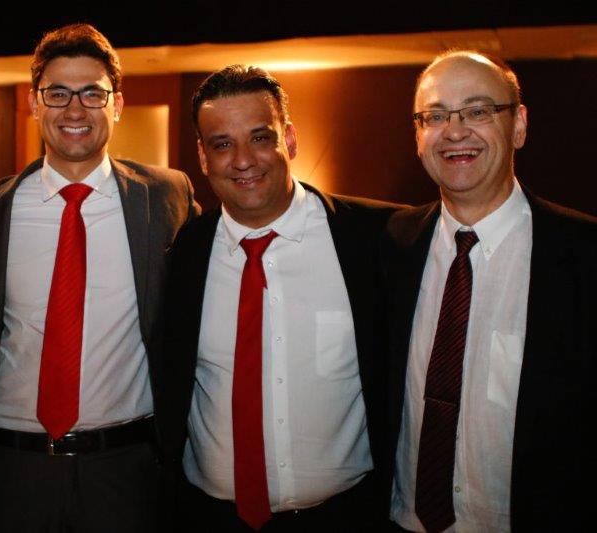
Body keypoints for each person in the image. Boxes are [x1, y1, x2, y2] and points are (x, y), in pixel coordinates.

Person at [0, 23, 199, 532]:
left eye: (92, 93)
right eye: (58, 93)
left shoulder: (165, 198)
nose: (74, 110)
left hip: (126, 470)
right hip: (11, 468)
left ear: (117, 104)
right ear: (34, 103)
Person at [159, 65, 403, 532]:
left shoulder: (373, 238)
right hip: (207, 517)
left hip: (345, 516)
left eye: (260, 137)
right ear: (203, 157)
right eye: (222, 144)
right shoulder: (183, 252)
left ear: (289, 139)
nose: (243, 160)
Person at [384, 51, 596, 532]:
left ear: (518, 125)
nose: (455, 131)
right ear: (417, 136)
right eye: (435, 116)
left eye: (478, 111)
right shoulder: (393, 245)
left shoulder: (584, 257)